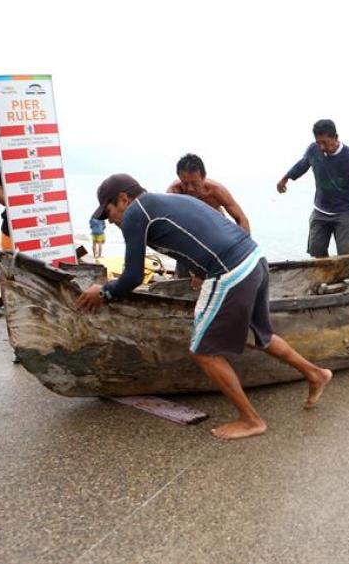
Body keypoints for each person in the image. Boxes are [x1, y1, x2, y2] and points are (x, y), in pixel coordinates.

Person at [76, 174, 332, 440]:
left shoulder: (135, 213)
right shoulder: (165, 200)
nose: (112, 221)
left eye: (109, 212)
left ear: (123, 199)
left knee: (202, 350)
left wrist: (104, 292)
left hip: (229, 270)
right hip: (254, 259)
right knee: (258, 336)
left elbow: (132, 277)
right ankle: (316, 374)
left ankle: (251, 420)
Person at [276, 119, 349, 258]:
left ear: (336, 137)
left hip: (345, 211)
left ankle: (347, 277)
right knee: (317, 250)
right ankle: (324, 279)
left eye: (324, 142)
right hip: (321, 209)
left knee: (346, 255)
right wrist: (285, 178)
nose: (321, 147)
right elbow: (303, 164)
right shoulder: (313, 150)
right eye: (318, 142)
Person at [167, 153, 250, 278]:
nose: (189, 189)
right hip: (189, 228)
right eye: (185, 183)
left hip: (216, 225)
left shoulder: (216, 191)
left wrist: (245, 253)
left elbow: (241, 219)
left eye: (194, 184)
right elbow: (173, 228)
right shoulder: (174, 193)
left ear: (203, 176)